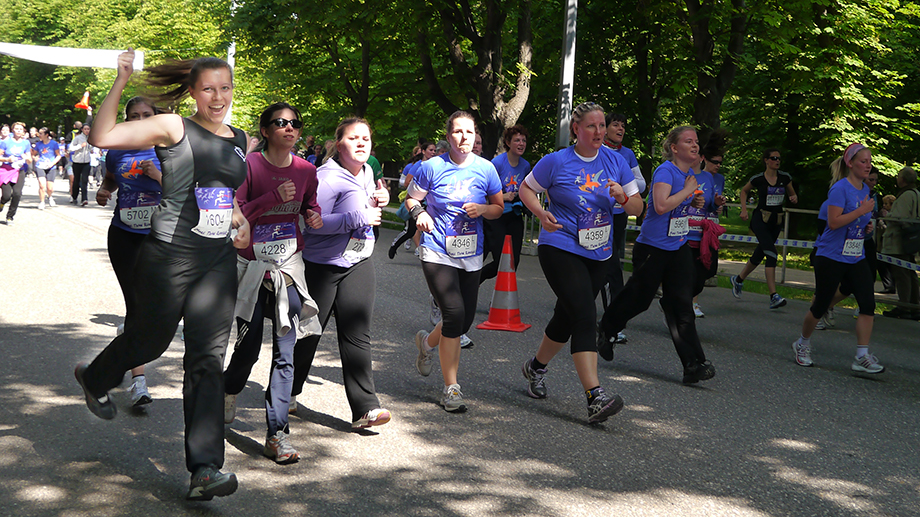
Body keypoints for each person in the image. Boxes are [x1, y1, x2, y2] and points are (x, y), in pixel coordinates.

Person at [74, 49, 251, 501]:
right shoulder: (174, 126)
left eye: (225, 88)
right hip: (170, 255)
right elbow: (103, 134)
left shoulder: (240, 137)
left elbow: (222, 190)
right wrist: (120, 80)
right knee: (149, 340)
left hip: (217, 260)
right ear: (192, 91)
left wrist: (238, 216)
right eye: (208, 88)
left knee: (208, 360)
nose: (218, 97)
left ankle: (205, 468)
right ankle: (97, 378)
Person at [518, 102, 641, 422]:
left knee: (567, 315)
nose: (599, 132)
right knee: (586, 313)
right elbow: (526, 189)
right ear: (576, 129)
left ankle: (535, 368)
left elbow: (638, 208)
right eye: (592, 126)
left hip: (599, 251)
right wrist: (540, 213)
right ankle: (595, 396)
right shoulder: (556, 161)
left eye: (602, 126)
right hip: (560, 244)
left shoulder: (617, 161)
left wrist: (623, 198)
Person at [223, 102, 323, 464]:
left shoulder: (306, 170)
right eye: (280, 123)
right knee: (247, 352)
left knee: (286, 351)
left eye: (295, 123)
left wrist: (313, 215)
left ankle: (277, 433)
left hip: (289, 268)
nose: (290, 128)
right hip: (251, 270)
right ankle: (228, 388)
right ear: (265, 130)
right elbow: (232, 215)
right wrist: (269, 199)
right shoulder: (248, 166)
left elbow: (310, 205)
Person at [291, 116, 393, 430]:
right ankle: (286, 391)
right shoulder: (326, 177)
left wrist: (380, 199)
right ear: (339, 145)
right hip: (322, 266)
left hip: (358, 262)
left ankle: (366, 408)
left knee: (357, 332)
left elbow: (368, 206)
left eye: (366, 138)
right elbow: (313, 224)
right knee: (309, 333)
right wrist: (358, 216)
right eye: (353, 138)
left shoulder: (367, 172)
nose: (362, 143)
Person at [597, 125, 716, 385]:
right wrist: (687, 192)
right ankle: (606, 329)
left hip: (677, 247)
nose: (695, 146)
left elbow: (678, 204)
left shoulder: (689, 175)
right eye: (688, 141)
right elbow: (660, 206)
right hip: (652, 248)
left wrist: (692, 201)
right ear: (674, 148)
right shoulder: (666, 171)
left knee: (682, 305)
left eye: (696, 141)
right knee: (639, 300)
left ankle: (693, 365)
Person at [408, 111, 503, 412]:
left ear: (476, 136)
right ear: (448, 136)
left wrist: (483, 209)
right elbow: (411, 198)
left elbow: (499, 207)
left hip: (471, 252)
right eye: (458, 132)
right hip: (437, 249)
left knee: (462, 320)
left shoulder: (486, 169)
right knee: (453, 312)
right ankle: (451, 388)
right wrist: (419, 213)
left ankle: (426, 344)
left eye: (470, 132)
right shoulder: (431, 167)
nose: (464, 137)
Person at [95, 96, 166, 408]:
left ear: (155, 117)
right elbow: (110, 179)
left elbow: (188, 192)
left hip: (161, 238)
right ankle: (138, 381)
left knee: (155, 310)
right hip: (124, 236)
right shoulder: (117, 150)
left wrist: (159, 176)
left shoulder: (169, 150)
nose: (139, 120)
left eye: (146, 115)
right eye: (133, 115)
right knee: (137, 306)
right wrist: (104, 190)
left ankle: (114, 359)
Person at [792, 144, 883, 373]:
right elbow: (833, 222)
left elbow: (857, 223)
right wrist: (861, 213)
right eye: (863, 161)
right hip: (831, 255)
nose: (868, 165)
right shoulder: (839, 189)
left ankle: (861, 356)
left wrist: (867, 226)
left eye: (869, 161)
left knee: (868, 303)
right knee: (821, 304)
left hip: (855, 254)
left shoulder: (865, 190)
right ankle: (802, 344)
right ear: (850, 163)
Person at [730, 148, 798, 308]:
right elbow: (744, 191)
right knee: (772, 254)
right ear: (766, 160)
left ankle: (738, 279)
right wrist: (744, 209)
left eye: (779, 158)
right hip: (760, 219)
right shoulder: (758, 179)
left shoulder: (785, 177)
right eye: (774, 158)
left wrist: (793, 197)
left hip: (776, 221)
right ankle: (774, 296)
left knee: (761, 253)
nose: (777, 161)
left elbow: (792, 195)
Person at [480, 125, 530, 284]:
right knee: (500, 260)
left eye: (523, 140)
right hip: (496, 216)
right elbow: (485, 193)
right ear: (508, 143)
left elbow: (525, 190)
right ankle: (470, 284)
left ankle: (498, 302)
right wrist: (503, 196)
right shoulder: (497, 163)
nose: (521, 143)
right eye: (517, 140)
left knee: (513, 262)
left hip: (514, 215)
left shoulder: (525, 165)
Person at [691, 142, 727, 317]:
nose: (718, 165)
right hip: (690, 228)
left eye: (721, 162)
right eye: (715, 161)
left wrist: (717, 204)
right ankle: (691, 303)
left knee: (707, 270)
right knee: (690, 268)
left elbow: (712, 204)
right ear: (704, 159)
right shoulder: (691, 175)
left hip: (709, 228)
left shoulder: (718, 179)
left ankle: (687, 300)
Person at [880, 166, 919, 320]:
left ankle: (905, 307)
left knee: (902, 274)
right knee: (910, 273)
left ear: (902, 180)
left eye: (898, 176)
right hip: (911, 240)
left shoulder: (905, 196)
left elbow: (899, 217)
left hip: (899, 241)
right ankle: (914, 305)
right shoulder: (917, 194)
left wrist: (886, 217)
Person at [389, 141, 436, 258]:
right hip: (417, 201)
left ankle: (426, 253)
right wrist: (419, 188)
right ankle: (395, 246)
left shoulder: (436, 165)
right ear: (424, 151)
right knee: (411, 230)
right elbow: (406, 182)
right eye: (431, 150)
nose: (433, 153)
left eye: (435, 150)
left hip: (430, 202)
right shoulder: (418, 165)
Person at [0, 122, 32, 225]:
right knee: (6, 195)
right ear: (12, 130)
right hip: (6, 169)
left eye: (21, 129)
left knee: (17, 194)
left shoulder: (26, 143)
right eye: (16, 129)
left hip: (19, 170)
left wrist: (26, 158)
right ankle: (1, 204)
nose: (18, 131)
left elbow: (30, 159)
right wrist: (7, 159)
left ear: (23, 132)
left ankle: (10, 217)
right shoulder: (6, 142)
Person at [31, 127, 62, 210]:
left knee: (50, 187)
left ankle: (50, 196)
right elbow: (33, 153)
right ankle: (42, 202)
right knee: (42, 185)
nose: (39, 135)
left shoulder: (54, 144)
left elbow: (58, 155)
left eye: (41, 133)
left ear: (46, 135)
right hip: (40, 166)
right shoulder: (38, 144)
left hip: (51, 166)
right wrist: (35, 158)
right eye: (39, 133)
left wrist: (52, 163)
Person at [70, 124, 93, 206]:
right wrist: (80, 146)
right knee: (76, 180)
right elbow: (70, 148)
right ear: (82, 130)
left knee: (84, 180)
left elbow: (90, 148)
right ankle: (74, 196)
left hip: (86, 162)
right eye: (85, 129)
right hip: (77, 162)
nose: (87, 130)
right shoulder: (78, 138)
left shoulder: (90, 138)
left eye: (88, 129)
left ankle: (84, 199)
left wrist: (91, 149)